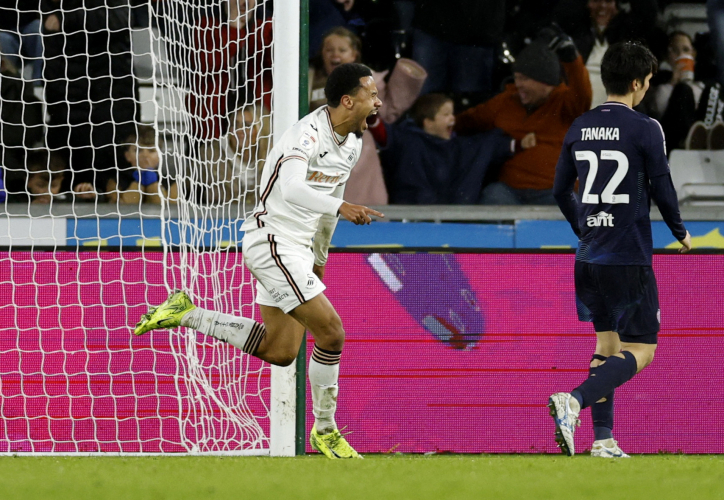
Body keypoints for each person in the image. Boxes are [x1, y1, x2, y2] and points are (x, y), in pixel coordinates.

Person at [134, 63, 384, 459]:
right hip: (271, 240)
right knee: (332, 333)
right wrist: (341, 207)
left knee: (280, 350)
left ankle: (186, 313)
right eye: (372, 94)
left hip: (297, 249)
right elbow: (293, 188)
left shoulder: (351, 145)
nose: (378, 101)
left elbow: (326, 209)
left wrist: (319, 258)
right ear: (348, 101)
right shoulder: (306, 134)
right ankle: (325, 430)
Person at [549, 41, 691, 457]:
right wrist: (680, 230)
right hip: (627, 255)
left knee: (606, 347)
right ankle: (574, 400)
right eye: (647, 82)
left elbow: (559, 190)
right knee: (642, 349)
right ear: (636, 83)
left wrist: (584, 227)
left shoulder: (579, 126)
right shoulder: (646, 127)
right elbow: (662, 186)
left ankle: (603, 440)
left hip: (588, 255)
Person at [455, 30, 592, 205]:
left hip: (554, 192)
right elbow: (468, 121)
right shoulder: (506, 101)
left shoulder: (566, 104)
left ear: (545, 82)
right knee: (492, 196)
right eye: (517, 78)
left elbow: (583, 93)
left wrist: (572, 60)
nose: (518, 84)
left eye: (524, 79)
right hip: (509, 191)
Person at [309, 26, 427, 205]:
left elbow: (388, 113)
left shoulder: (369, 80)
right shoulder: (307, 80)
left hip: (359, 156)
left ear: (354, 54)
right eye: (329, 50)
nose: (335, 55)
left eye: (342, 50)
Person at [370, 93, 536, 204]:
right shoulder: (408, 141)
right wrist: (369, 113)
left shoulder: (460, 147)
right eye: (446, 114)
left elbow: (489, 145)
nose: (453, 119)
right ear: (428, 122)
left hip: (455, 224)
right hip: (413, 222)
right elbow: (383, 133)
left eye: (452, 113)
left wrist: (520, 144)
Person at [640, 31, 706, 150]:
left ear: (693, 54)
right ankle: (685, 141)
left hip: (700, 143)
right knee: (683, 89)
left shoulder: (702, 87)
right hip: (671, 143)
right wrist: (673, 81)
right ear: (667, 56)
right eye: (675, 51)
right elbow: (656, 109)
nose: (681, 54)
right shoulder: (661, 88)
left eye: (686, 50)